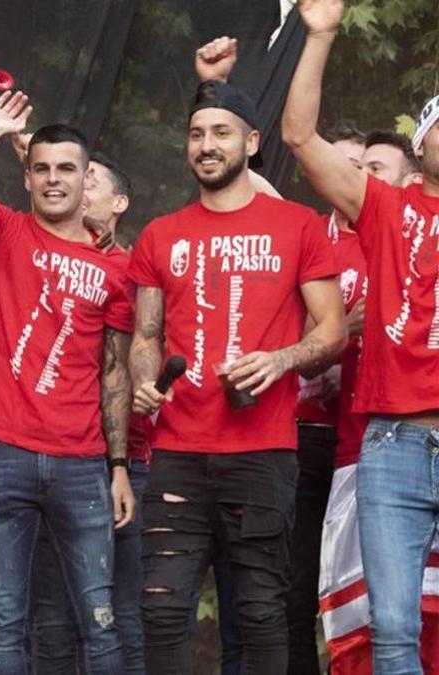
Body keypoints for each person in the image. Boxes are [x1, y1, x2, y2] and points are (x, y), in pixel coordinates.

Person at [128, 60, 347, 673]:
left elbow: (331, 331)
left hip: (262, 453)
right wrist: (145, 379)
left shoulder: (300, 226)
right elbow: (146, 335)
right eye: (197, 134)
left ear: (251, 143)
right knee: (163, 612)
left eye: (221, 133)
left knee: (260, 613)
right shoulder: (159, 234)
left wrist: (280, 358)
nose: (207, 146)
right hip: (176, 452)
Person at [0, 58, 136, 671]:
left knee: (99, 618)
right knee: (7, 621)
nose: (52, 179)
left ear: (84, 176)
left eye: (66, 168)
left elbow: (115, 374)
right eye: (40, 168)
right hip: (1, 453)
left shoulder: (116, 267)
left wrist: (119, 466)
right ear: (28, 178)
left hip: (82, 461)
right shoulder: (5, 233)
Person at [282, 1, 439, 672]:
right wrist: (318, 38)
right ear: (420, 146)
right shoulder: (387, 206)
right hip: (394, 445)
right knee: (394, 629)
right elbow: (298, 137)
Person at [30, 151, 149, 675]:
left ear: (119, 203)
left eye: (91, 179)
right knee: (51, 613)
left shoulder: (135, 266)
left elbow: (143, 348)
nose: (74, 185)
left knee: (118, 608)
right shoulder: (45, 253)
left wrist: (146, 385)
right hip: (61, 456)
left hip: (126, 460)